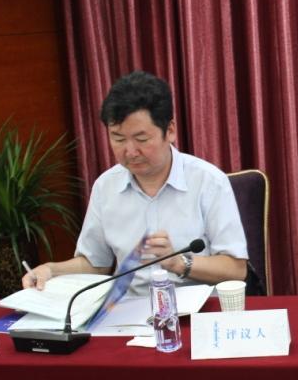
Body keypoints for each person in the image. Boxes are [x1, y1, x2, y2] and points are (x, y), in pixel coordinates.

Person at [22, 70, 247, 293]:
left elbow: (236, 269)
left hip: (199, 308)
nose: (130, 151)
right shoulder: (105, 187)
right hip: (128, 309)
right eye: (118, 138)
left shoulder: (208, 182)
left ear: (170, 131)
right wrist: (51, 270)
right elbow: (95, 264)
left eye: (141, 139)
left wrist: (179, 263)